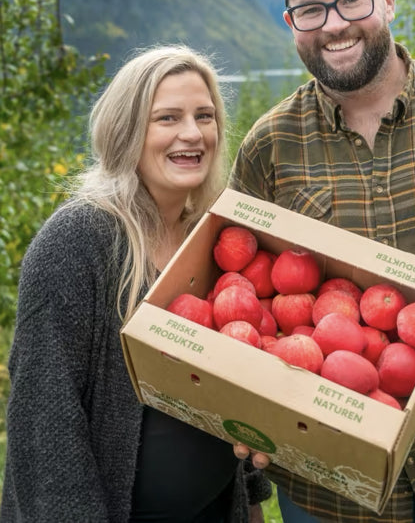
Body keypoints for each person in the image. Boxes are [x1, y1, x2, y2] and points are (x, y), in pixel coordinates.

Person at [229, 0, 415, 522]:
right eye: (310, 10)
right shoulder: (270, 146)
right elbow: (237, 293)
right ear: (291, 26)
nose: (334, 24)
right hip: (334, 493)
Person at [0, 44, 271, 522]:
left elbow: (229, 383)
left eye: (204, 116)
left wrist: (250, 498)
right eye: (167, 118)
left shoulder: (206, 237)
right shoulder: (77, 241)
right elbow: (45, 423)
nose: (192, 133)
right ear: (126, 131)